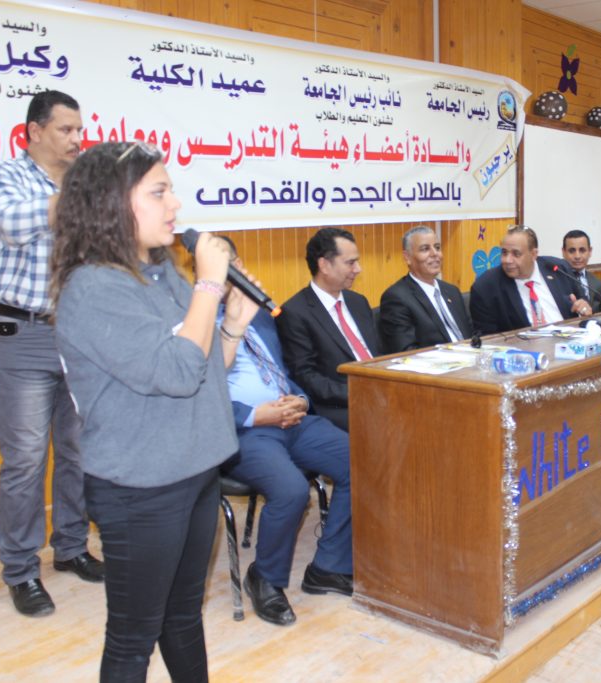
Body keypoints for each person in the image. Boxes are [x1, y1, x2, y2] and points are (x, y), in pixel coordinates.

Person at [51, 141, 247, 680]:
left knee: (183, 617)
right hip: (140, 489)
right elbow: (178, 372)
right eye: (159, 192)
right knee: (133, 639)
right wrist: (209, 283)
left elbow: (203, 370)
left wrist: (232, 324)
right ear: (112, 202)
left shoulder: (163, 274)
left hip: (195, 469)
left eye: (171, 191)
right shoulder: (93, 288)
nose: (175, 204)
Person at [0, 89, 103, 617]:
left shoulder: (84, 183)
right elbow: (12, 224)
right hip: (26, 332)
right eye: (66, 130)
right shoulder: (6, 175)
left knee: (77, 449)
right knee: (26, 458)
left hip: (80, 334)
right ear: (34, 131)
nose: (77, 139)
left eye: (80, 130)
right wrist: (76, 196)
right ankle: (20, 570)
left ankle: (71, 547)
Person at [215, 237, 353, 627]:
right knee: (292, 490)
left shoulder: (260, 314)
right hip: (244, 431)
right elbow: (194, 393)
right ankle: (265, 577)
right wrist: (254, 416)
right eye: (222, 265)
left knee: (359, 460)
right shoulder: (191, 322)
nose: (234, 272)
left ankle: (328, 566)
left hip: (292, 420)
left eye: (235, 262)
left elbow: (285, 371)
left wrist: (300, 400)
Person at [277, 228, 380, 432]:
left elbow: (378, 354)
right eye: (350, 262)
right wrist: (360, 392)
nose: (358, 269)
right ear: (324, 265)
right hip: (341, 405)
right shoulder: (295, 312)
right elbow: (306, 377)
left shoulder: (358, 302)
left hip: (381, 391)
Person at [469, 225, 592, 335]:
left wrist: (583, 309)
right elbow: (487, 340)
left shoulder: (558, 269)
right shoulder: (486, 287)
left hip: (569, 344)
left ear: (533, 254)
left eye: (516, 254)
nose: (507, 260)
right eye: (504, 253)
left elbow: (583, 305)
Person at [379, 225, 473, 353]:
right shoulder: (396, 298)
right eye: (425, 249)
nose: (435, 254)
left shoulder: (452, 291)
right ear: (407, 257)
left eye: (437, 247)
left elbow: (472, 335)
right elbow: (406, 352)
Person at [561, 229, 601, 312]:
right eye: (572, 251)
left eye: (582, 250)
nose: (577, 256)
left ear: (590, 251)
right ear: (563, 252)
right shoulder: (557, 281)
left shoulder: (597, 282)